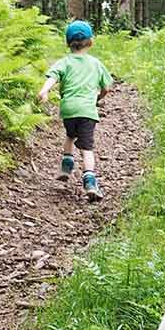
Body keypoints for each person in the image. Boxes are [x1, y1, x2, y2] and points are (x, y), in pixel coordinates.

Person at [38, 19, 114, 202]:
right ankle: (90, 182)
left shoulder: (64, 62)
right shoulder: (95, 63)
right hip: (87, 111)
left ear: (68, 43)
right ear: (91, 42)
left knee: (70, 135)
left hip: (69, 109)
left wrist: (44, 90)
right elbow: (106, 88)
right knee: (87, 148)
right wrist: (98, 98)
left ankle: (66, 165)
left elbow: (52, 77)